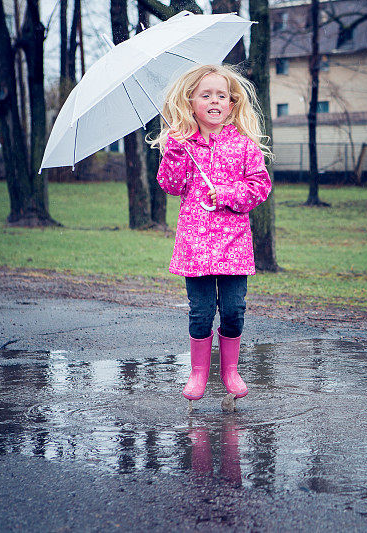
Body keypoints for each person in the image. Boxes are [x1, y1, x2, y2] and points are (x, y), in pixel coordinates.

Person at [151, 64, 272, 410]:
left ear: (231, 105)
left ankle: (230, 371)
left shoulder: (244, 145)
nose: (214, 101)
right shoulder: (183, 145)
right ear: (192, 104)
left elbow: (259, 186)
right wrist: (174, 148)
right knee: (201, 312)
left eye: (221, 95)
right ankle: (199, 372)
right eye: (206, 95)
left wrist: (228, 193)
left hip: (233, 246)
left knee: (233, 309)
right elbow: (170, 186)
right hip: (196, 247)